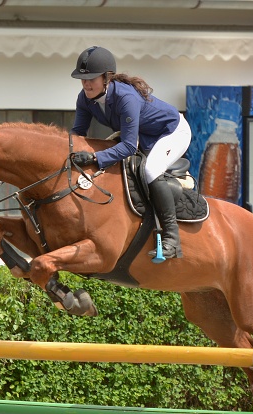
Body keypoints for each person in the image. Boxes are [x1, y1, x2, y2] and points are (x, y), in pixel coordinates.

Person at [69, 46, 193, 261]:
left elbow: (127, 146)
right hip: (143, 135)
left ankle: (172, 239)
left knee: (151, 170)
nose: (86, 83)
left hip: (172, 131)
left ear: (107, 77)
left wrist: (95, 158)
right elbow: (77, 134)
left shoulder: (126, 98)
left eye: (92, 78)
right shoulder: (85, 98)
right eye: (83, 79)